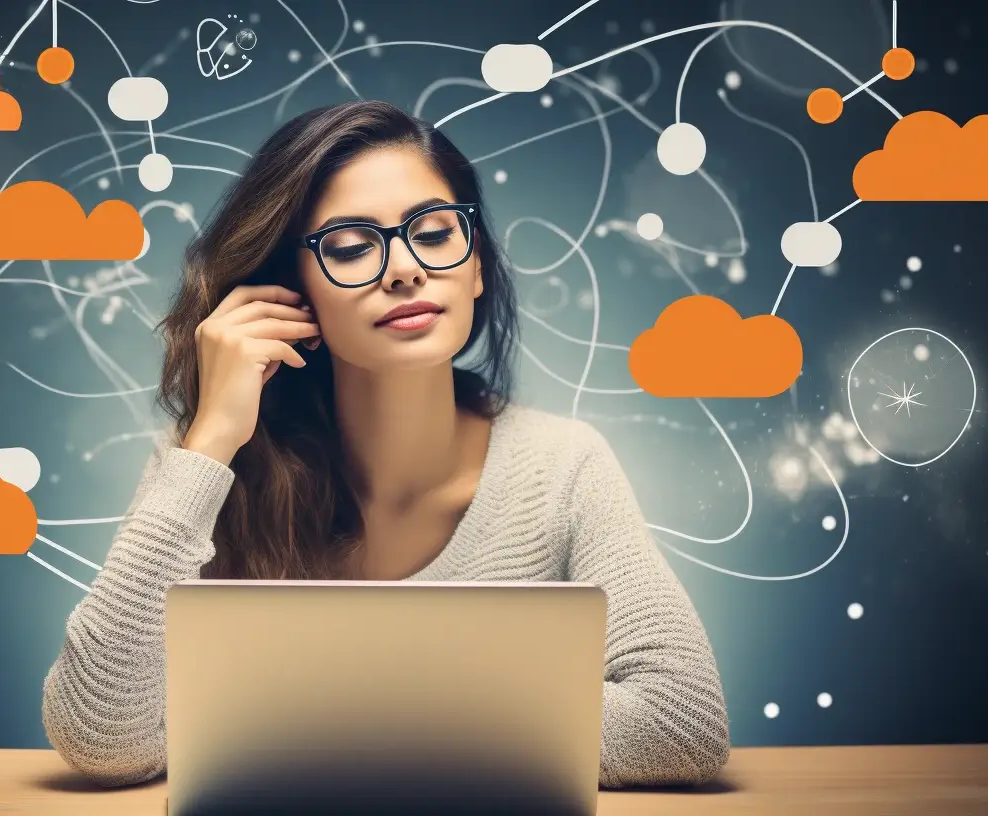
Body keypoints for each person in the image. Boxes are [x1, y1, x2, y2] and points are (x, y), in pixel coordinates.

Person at [42, 100, 729, 789]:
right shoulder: (205, 470)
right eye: (349, 247)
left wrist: (316, 714)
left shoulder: (563, 466)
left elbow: (684, 723)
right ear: (290, 291)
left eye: (434, 234)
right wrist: (213, 438)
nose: (403, 269)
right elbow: (101, 737)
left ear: (478, 267)